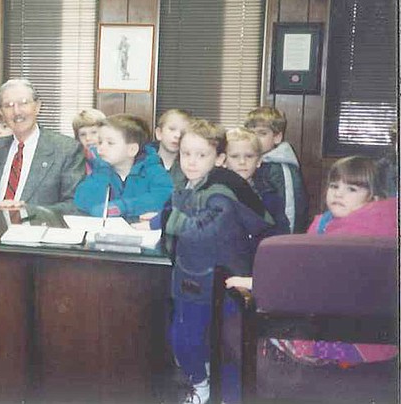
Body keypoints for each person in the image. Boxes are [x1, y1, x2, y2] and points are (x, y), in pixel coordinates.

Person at [226, 156, 398, 367]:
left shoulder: (355, 238)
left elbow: (307, 283)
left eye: (352, 189)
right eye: (334, 185)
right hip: (362, 335)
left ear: (375, 198)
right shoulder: (334, 223)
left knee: (237, 324)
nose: (338, 193)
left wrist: (256, 284)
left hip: (346, 340)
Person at [149, 118, 274, 404]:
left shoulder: (221, 192)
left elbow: (202, 230)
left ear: (219, 159)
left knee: (219, 346)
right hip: (192, 279)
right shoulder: (191, 184)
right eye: (186, 154)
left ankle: (209, 388)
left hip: (216, 282)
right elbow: (174, 214)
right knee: (185, 339)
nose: (191, 161)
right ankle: (202, 383)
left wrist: (169, 220)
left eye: (201, 155)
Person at [0, 79, 85, 213]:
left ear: (37, 107)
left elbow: (75, 205)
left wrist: (26, 212)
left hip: (37, 231)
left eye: (23, 103)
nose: (16, 112)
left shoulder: (66, 150)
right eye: (8, 105)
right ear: (1, 112)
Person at [73, 114, 172, 221]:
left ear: (132, 150)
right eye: (100, 142)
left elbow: (163, 198)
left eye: (110, 143)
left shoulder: (153, 170)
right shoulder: (100, 170)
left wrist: (122, 207)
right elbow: (82, 202)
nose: (100, 148)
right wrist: (103, 172)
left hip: (142, 232)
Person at [245, 106, 308, 233]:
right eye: (251, 133)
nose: (255, 139)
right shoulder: (249, 162)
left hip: (278, 240)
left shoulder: (280, 168)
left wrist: (284, 244)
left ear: (277, 137)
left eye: (262, 133)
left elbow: (290, 210)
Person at [225, 127, 289, 234]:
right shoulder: (215, 193)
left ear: (259, 161)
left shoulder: (269, 194)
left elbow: (281, 233)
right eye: (235, 156)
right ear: (224, 160)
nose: (242, 162)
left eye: (249, 156)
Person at [148, 108, 192, 189]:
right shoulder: (142, 162)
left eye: (183, 132)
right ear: (159, 133)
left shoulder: (191, 166)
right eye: (172, 129)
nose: (178, 135)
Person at [72, 108, 106, 174]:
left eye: (94, 132)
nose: (88, 138)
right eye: (83, 134)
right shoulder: (76, 161)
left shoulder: (115, 158)